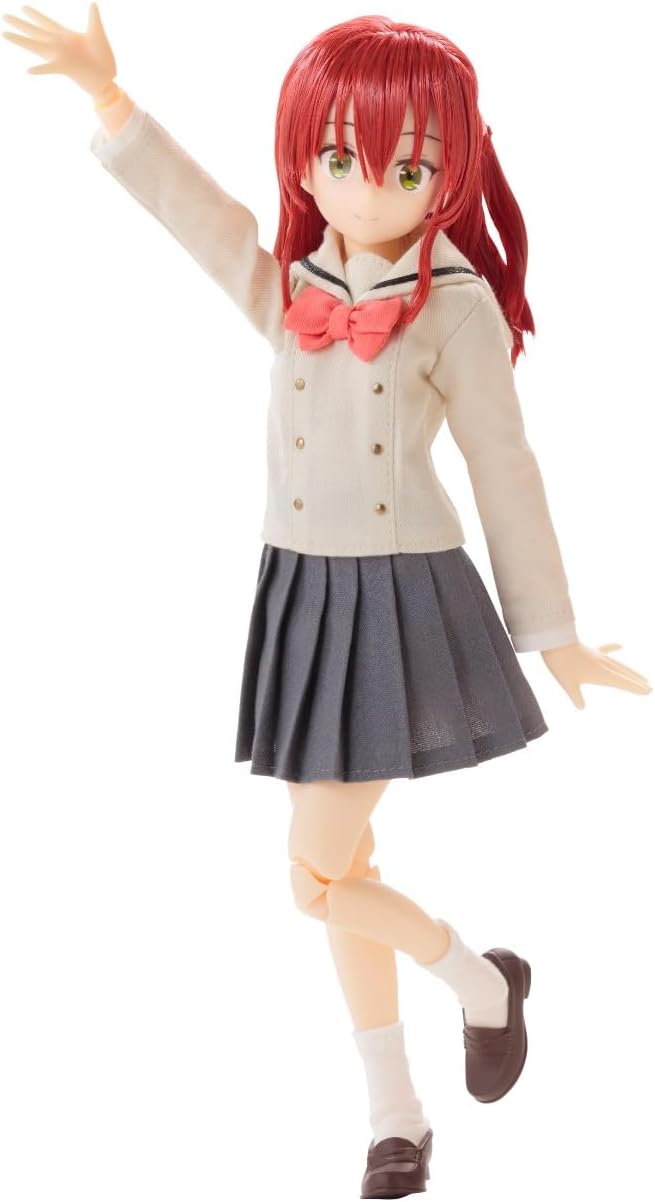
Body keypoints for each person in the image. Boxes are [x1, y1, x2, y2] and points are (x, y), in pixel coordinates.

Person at [3, 6, 651, 1198]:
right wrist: (111, 102)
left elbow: (505, 468)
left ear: (450, 175)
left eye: (408, 166)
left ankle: (481, 982)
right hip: (301, 589)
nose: (365, 187)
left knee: (312, 876)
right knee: (347, 862)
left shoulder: (454, 305)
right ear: (303, 158)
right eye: (341, 155)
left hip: (401, 599)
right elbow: (201, 223)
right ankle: (395, 1114)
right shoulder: (294, 286)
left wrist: (551, 633)